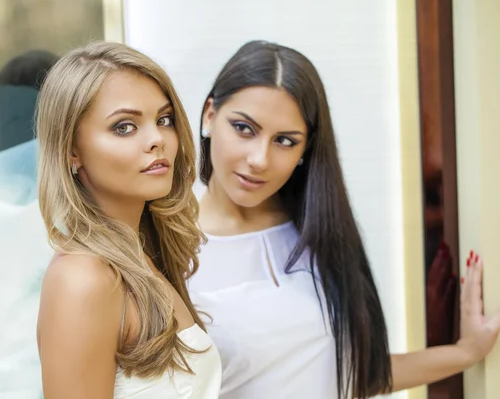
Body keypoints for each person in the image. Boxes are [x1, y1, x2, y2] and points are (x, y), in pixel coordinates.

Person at [188, 40, 500, 399]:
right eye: (244, 128)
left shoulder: (317, 232)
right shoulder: (167, 248)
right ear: (209, 115)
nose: (260, 158)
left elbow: (353, 375)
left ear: (306, 149)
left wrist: (466, 352)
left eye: (285, 141)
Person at [35, 41, 221, 398]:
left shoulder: (143, 255)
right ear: (72, 151)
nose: (157, 140)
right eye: (124, 127)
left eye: (164, 120)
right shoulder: (82, 280)